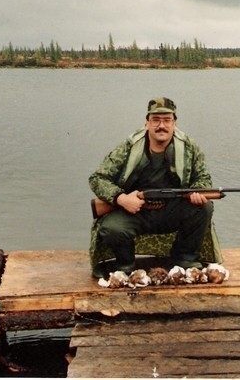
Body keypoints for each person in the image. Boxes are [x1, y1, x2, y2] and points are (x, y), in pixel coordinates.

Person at [89, 97, 214, 278]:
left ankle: (185, 259)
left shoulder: (189, 148)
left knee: (204, 207)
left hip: (171, 210)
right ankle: (125, 265)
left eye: (166, 120)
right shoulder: (129, 147)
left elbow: (203, 178)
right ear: (146, 123)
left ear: (174, 123)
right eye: (155, 120)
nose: (161, 126)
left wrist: (198, 191)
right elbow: (97, 178)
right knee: (111, 228)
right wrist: (121, 199)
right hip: (135, 212)